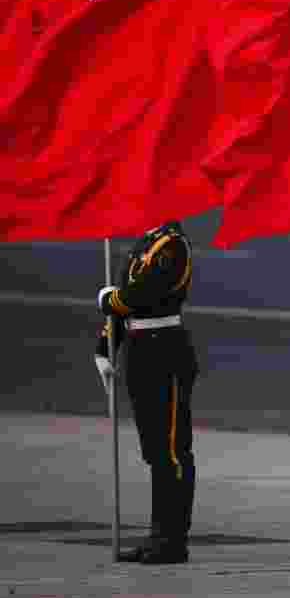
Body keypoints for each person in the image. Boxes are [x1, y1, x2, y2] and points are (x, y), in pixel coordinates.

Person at [95, 220, 198, 565]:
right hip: (140, 349)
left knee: (171, 449)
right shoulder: (145, 242)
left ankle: (172, 539)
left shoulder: (173, 245)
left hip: (164, 349)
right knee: (154, 450)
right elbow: (125, 303)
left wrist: (110, 299)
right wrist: (105, 345)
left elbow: (142, 294)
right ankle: (158, 534)